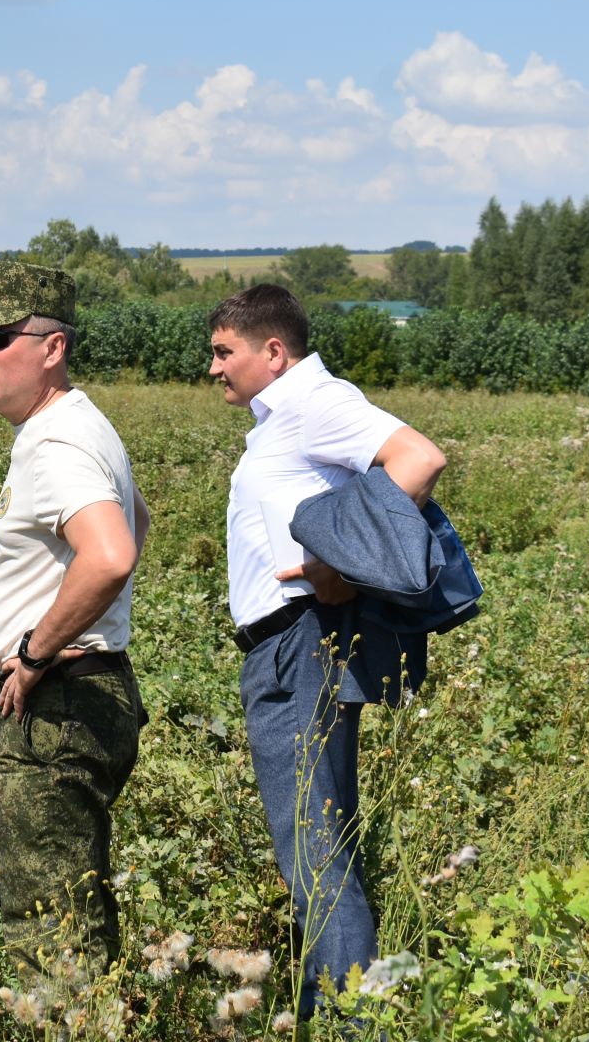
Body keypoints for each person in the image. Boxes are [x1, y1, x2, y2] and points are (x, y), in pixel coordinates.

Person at [207, 283, 446, 1020]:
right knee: (318, 848)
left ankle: (354, 1025)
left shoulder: (314, 401)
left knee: (316, 858)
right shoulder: (282, 415)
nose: (213, 368)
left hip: (297, 645)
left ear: (273, 353)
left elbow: (417, 458)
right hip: (293, 647)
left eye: (225, 353)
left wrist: (337, 568)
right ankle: (339, 1014)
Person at [0, 260, 150, 981]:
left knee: (50, 941)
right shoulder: (79, 426)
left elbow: (112, 553)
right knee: (76, 911)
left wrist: (33, 654)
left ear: (53, 347)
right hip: (80, 695)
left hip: (54, 704)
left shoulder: (57, 440)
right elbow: (138, 522)